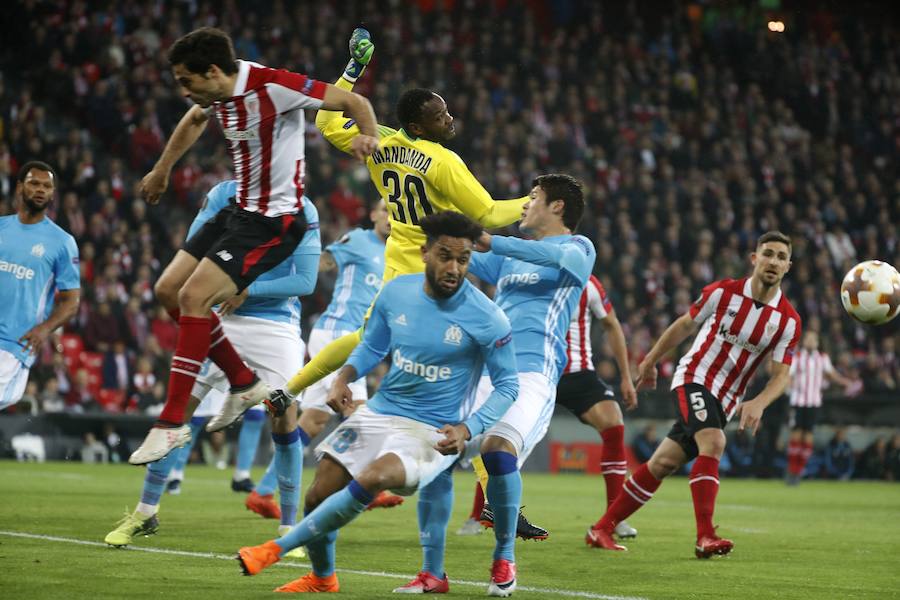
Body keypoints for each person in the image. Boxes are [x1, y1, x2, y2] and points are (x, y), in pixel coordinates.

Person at [128, 27, 379, 464]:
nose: (183, 90)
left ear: (212, 72)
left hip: (274, 220)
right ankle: (243, 382)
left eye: (187, 81)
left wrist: (368, 136)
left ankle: (170, 423)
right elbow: (193, 120)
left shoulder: (275, 86)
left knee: (193, 297)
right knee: (169, 290)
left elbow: (356, 102)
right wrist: (162, 170)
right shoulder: (216, 96)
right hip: (240, 211)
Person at [235, 212, 519, 595]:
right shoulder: (396, 292)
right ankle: (323, 579)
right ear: (425, 253)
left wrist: (469, 428)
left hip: (433, 430)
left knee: (374, 477)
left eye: (463, 259)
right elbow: (372, 345)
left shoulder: (488, 317)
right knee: (317, 495)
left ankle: (274, 549)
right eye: (445, 255)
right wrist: (344, 377)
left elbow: (508, 386)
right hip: (381, 410)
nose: (454, 268)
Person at [270, 28, 529, 410]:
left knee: (367, 336)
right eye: (441, 116)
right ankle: (472, 443)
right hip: (438, 264)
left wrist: (354, 68)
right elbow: (486, 212)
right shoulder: (443, 161)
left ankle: (289, 390)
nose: (450, 118)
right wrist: (533, 201)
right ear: (420, 127)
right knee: (481, 337)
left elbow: (326, 124)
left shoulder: (382, 144)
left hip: (400, 257)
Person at [400, 174, 594, 595]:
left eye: (534, 198)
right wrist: (422, 202)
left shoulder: (578, 249)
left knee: (498, 449)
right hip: (484, 372)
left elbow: (522, 251)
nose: (524, 205)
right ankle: (433, 573)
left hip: (532, 374)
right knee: (439, 452)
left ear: (557, 207)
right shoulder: (509, 258)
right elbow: (460, 254)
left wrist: (490, 239)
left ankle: (504, 559)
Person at [104, 180, 319, 550]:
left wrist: (247, 288)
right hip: (224, 322)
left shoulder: (304, 208)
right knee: (179, 412)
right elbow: (196, 254)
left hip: (276, 325)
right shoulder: (224, 195)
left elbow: (306, 280)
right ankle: (145, 512)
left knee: (284, 417)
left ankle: (289, 529)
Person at [586, 231, 801, 558]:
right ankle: (705, 536)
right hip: (695, 377)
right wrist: (651, 359)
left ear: (788, 267)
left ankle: (601, 527)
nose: (773, 261)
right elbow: (685, 325)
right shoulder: (722, 293)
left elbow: (781, 375)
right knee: (714, 442)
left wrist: (759, 401)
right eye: (768, 254)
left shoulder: (788, 321)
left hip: (726, 399)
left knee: (662, 463)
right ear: (754, 259)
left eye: (781, 257)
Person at [460, 274, 638, 540]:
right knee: (498, 437)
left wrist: (625, 376)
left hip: (576, 372)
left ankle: (615, 517)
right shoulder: (525, 276)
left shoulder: (586, 282)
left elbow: (611, 324)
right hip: (534, 370)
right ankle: (480, 514)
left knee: (614, 422)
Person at [290, 198, 403, 511]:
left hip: (355, 339)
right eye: (385, 211)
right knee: (362, 412)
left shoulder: (398, 253)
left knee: (312, 420)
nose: (391, 218)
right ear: (373, 214)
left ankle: (264, 486)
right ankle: (363, 485)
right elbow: (326, 261)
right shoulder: (358, 239)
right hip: (338, 333)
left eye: (396, 213)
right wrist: (298, 273)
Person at [0, 162, 80, 411]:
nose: (41, 190)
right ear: (20, 187)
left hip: (15, 342)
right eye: (34, 183)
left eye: (47, 186)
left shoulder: (62, 242)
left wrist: (44, 329)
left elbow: (71, 301)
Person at [785, 330, 855, 485]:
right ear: (804, 341)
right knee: (796, 434)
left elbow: (832, 375)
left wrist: (846, 382)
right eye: (808, 338)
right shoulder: (797, 357)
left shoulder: (822, 358)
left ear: (817, 342)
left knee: (808, 435)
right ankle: (792, 469)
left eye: (813, 339)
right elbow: (789, 375)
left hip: (814, 402)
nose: (810, 341)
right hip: (797, 401)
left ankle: (798, 471)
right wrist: (788, 386)